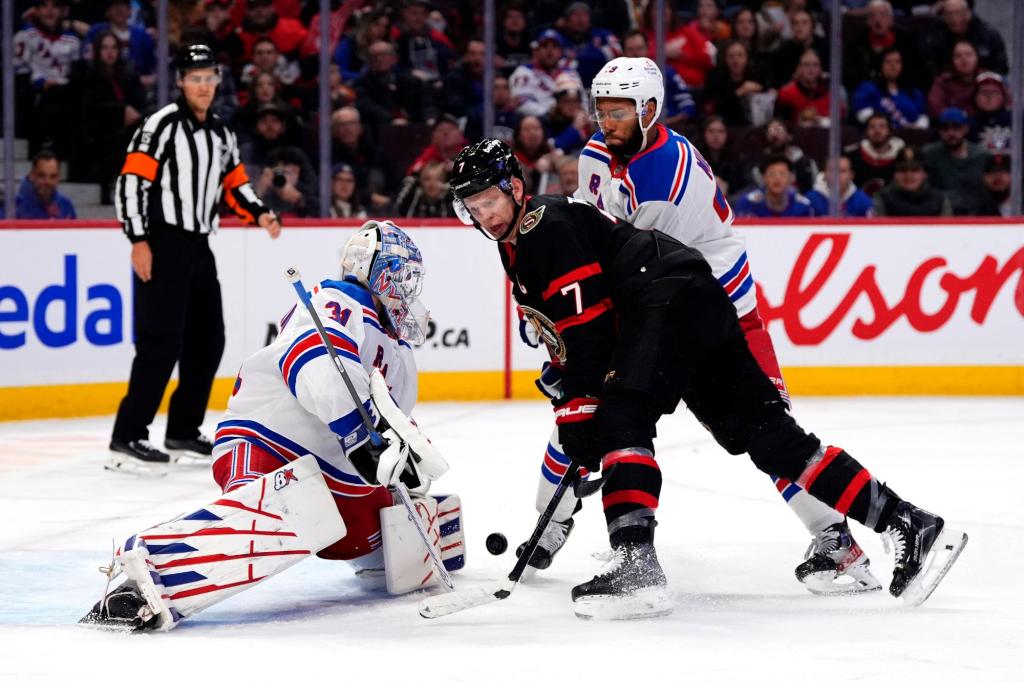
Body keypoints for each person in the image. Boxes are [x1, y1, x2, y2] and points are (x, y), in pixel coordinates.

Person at [449, 137, 967, 619]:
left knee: (620, 417)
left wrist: (583, 406)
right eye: (472, 208)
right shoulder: (519, 239)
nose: (483, 215)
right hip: (693, 297)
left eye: (489, 201)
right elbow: (573, 334)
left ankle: (636, 568)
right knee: (769, 437)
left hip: (661, 299)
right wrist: (572, 395)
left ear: (515, 188)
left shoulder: (544, 230)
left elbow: (592, 331)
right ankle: (907, 522)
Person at [565, 57, 877, 597]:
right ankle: (584, 540)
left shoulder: (668, 178)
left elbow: (636, 271)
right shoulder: (596, 154)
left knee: (767, 433)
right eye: (601, 110)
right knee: (624, 418)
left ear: (650, 110)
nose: (605, 121)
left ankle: (838, 540)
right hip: (669, 307)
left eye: (618, 111)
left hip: (721, 316)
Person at [82, 221, 459, 631]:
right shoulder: (337, 301)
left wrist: (406, 463)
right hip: (269, 445)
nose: (408, 289)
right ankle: (147, 578)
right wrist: (356, 433)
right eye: (403, 277)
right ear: (381, 272)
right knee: (288, 510)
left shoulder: (401, 356)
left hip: (335, 478)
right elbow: (313, 358)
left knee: (377, 533)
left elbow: (393, 422)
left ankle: (385, 546)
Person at [109, 44, 282, 474]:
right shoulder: (160, 126)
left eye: (210, 77)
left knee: (209, 338)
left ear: (218, 80)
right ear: (181, 82)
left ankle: (183, 429)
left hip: (199, 243)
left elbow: (235, 183)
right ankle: (127, 436)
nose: (204, 86)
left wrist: (260, 211)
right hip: (163, 240)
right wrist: (138, 239)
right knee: (160, 340)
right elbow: (131, 183)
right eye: (195, 78)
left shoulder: (221, 133)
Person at [921, 107, 988, 215]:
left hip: (977, 215)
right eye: (945, 128)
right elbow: (924, 188)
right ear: (939, 130)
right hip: (940, 213)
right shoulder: (929, 153)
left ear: (966, 128)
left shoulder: (981, 155)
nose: (951, 133)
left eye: (956, 127)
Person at [872, 147, 953, 217]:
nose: (909, 175)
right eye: (902, 170)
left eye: (915, 170)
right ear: (895, 175)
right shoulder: (882, 199)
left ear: (925, 174)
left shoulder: (940, 201)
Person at [0, 150, 76, 219]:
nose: (47, 182)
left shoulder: (65, 204)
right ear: (32, 175)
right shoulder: (13, 206)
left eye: (53, 176)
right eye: (41, 176)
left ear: (58, 178)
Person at [843, 111, 906, 195]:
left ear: (890, 131)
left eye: (882, 126)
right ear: (866, 131)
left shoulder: (901, 156)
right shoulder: (852, 155)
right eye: (872, 127)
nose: (877, 130)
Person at [734, 155, 816, 217]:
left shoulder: (803, 205)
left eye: (782, 174)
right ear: (764, 177)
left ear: (791, 178)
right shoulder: (748, 203)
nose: (777, 179)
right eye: (772, 174)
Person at [805, 156, 874, 217]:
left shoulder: (862, 200)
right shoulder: (809, 200)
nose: (836, 175)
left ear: (851, 175)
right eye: (832, 170)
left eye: (842, 171)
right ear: (824, 174)